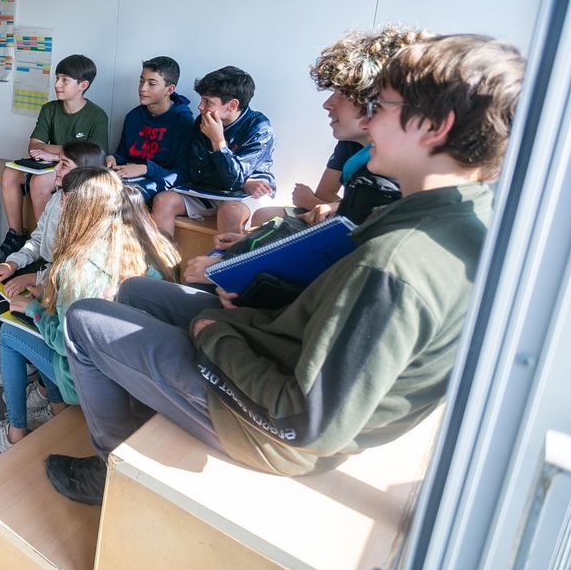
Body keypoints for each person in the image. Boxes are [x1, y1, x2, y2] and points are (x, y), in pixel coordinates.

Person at [44, 34, 525, 504]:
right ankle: (147, 416)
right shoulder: (454, 212)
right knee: (136, 291)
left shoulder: (399, 262)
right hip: (283, 349)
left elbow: (305, 420)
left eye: (380, 107)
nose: (368, 121)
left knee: (83, 319)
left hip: (270, 428)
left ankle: (110, 470)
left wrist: (213, 333)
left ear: (435, 125)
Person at [0, 168, 179, 452]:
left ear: (80, 207)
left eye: (66, 199)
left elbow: (66, 343)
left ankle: (14, 435)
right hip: (132, 377)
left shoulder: (76, 266)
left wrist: (36, 309)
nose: (60, 203)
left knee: (11, 333)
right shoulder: (142, 244)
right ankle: (55, 410)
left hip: (90, 378)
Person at [248, 27, 433, 229]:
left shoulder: (390, 179)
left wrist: (317, 204)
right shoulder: (357, 153)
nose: (327, 104)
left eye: (342, 93)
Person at [0, 141, 107, 386]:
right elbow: (37, 239)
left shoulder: (90, 214)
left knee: (13, 302)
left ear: (84, 173)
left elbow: (74, 270)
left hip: (60, 280)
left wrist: (35, 279)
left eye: (64, 164)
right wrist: (12, 264)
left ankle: (29, 361)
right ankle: (8, 353)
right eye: (58, 162)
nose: (56, 169)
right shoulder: (57, 200)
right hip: (47, 269)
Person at [0, 54, 109, 263]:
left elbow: (94, 153)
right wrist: (55, 152)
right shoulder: (49, 109)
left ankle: (43, 246)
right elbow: (34, 146)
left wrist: (54, 154)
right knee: (9, 172)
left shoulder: (97, 115)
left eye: (65, 80)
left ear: (83, 85)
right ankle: (16, 235)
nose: (57, 84)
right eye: (57, 78)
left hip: (73, 170)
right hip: (46, 165)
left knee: (39, 182)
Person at [150, 66, 275, 237]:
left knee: (230, 212)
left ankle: (224, 263)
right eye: (201, 99)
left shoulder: (259, 127)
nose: (200, 107)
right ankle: (162, 262)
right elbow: (197, 171)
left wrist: (218, 142)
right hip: (211, 191)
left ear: (232, 105)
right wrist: (243, 180)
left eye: (208, 102)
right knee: (163, 200)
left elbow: (234, 180)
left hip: (249, 195)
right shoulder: (202, 121)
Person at [107, 56, 195, 202]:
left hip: (159, 181)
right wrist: (113, 158)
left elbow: (183, 174)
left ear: (169, 89)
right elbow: (123, 154)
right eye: (141, 81)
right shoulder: (133, 116)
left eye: (151, 83)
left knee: (123, 197)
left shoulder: (183, 121)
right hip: (128, 176)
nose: (143, 88)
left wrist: (146, 169)